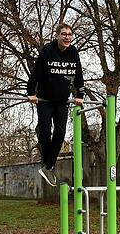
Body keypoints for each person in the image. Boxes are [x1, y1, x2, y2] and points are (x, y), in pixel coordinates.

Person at [26, 23, 84, 186]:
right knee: (45, 131)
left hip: (62, 101)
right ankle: (48, 164)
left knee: (60, 132)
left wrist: (80, 94)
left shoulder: (73, 52)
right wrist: (31, 92)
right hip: (45, 100)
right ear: (57, 36)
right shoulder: (48, 50)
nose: (67, 37)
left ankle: (48, 166)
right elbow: (36, 72)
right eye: (64, 34)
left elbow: (78, 73)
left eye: (70, 34)